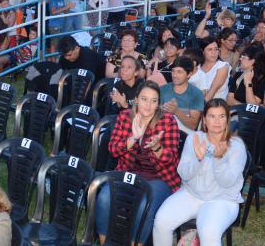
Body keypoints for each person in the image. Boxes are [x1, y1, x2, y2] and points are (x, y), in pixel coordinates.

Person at [153, 99, 247, 246]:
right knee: (161, 221)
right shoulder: (194, 139)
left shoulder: (236, 146)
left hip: (222, 200)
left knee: (209, 233)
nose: (216, 121)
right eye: (211, 116)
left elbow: (227, 182)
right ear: (204, 119)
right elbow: (183, 174)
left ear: (228, 120)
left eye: (221, 116)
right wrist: (197, 158)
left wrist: (218, 159)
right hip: (191, 194)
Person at [102, 81, 180, 245]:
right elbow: (113, 150)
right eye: (144, 99)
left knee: (145, 203)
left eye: (154, 101)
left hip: (159, 178)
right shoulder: (125, 117)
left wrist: (157, 148)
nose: (148, 105)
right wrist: (133, 138)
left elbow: (171, 159)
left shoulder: (167, 122)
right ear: (136, 99)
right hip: (128, 173)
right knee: (104, 196)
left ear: (158, 103)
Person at [160, 56, 205, 133]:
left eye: (179, 72)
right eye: (173, 71)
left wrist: (176, 111)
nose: (174, 75)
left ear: (189, 74)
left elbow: (193, 125)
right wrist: (162, 110)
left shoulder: (196, 94)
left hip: (186, 135)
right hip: (163, 132)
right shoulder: (162, 89)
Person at [190, 36, 231, 101]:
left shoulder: (223, 66)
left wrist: (200, 108)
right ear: (202, 51)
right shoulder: (197, 67)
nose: (214, 52)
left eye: (216, 49)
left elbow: (213, 89)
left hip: (217, 106)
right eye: (210, 49)